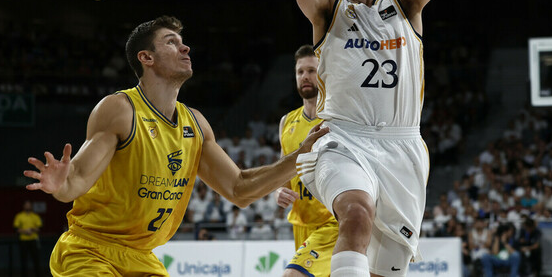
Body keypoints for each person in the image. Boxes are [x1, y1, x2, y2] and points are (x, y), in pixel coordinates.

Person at [23, 16, 328, 276]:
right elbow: (75, 180)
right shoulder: (120, 109)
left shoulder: (195, 124)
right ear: (146, 57)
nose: (185, 47)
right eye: (171, 42)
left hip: (143, 257)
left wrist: (299, 157)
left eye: (182, 41)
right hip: (91, 251)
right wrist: (60, 184)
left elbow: (239, 189)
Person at [288, 0, 449, 277]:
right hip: (342, 138)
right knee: (355, 213)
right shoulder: (328, 12)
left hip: (402, 146)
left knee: (384, 271)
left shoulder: (406, 4)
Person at [276, 45, 338, 277]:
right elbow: (283, 170)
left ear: (323, 75)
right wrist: (278, 191)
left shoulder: (337, 119)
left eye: (311, 70)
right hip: (301, 223)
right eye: (300, 72)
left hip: (333, 221)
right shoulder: (286, 122)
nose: (305, 76)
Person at [13, 201, 42, 277]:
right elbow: (16, 229)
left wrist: (32, 229)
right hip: (23, 240)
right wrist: (25, 231)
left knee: (36, 260)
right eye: (26, 205)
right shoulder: (19, 216)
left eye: (29, 205)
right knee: (23, 260)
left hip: (33, 240)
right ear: (24, 206)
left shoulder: (35, 216)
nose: (28, 206)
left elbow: (39, 228)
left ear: (31, 206)